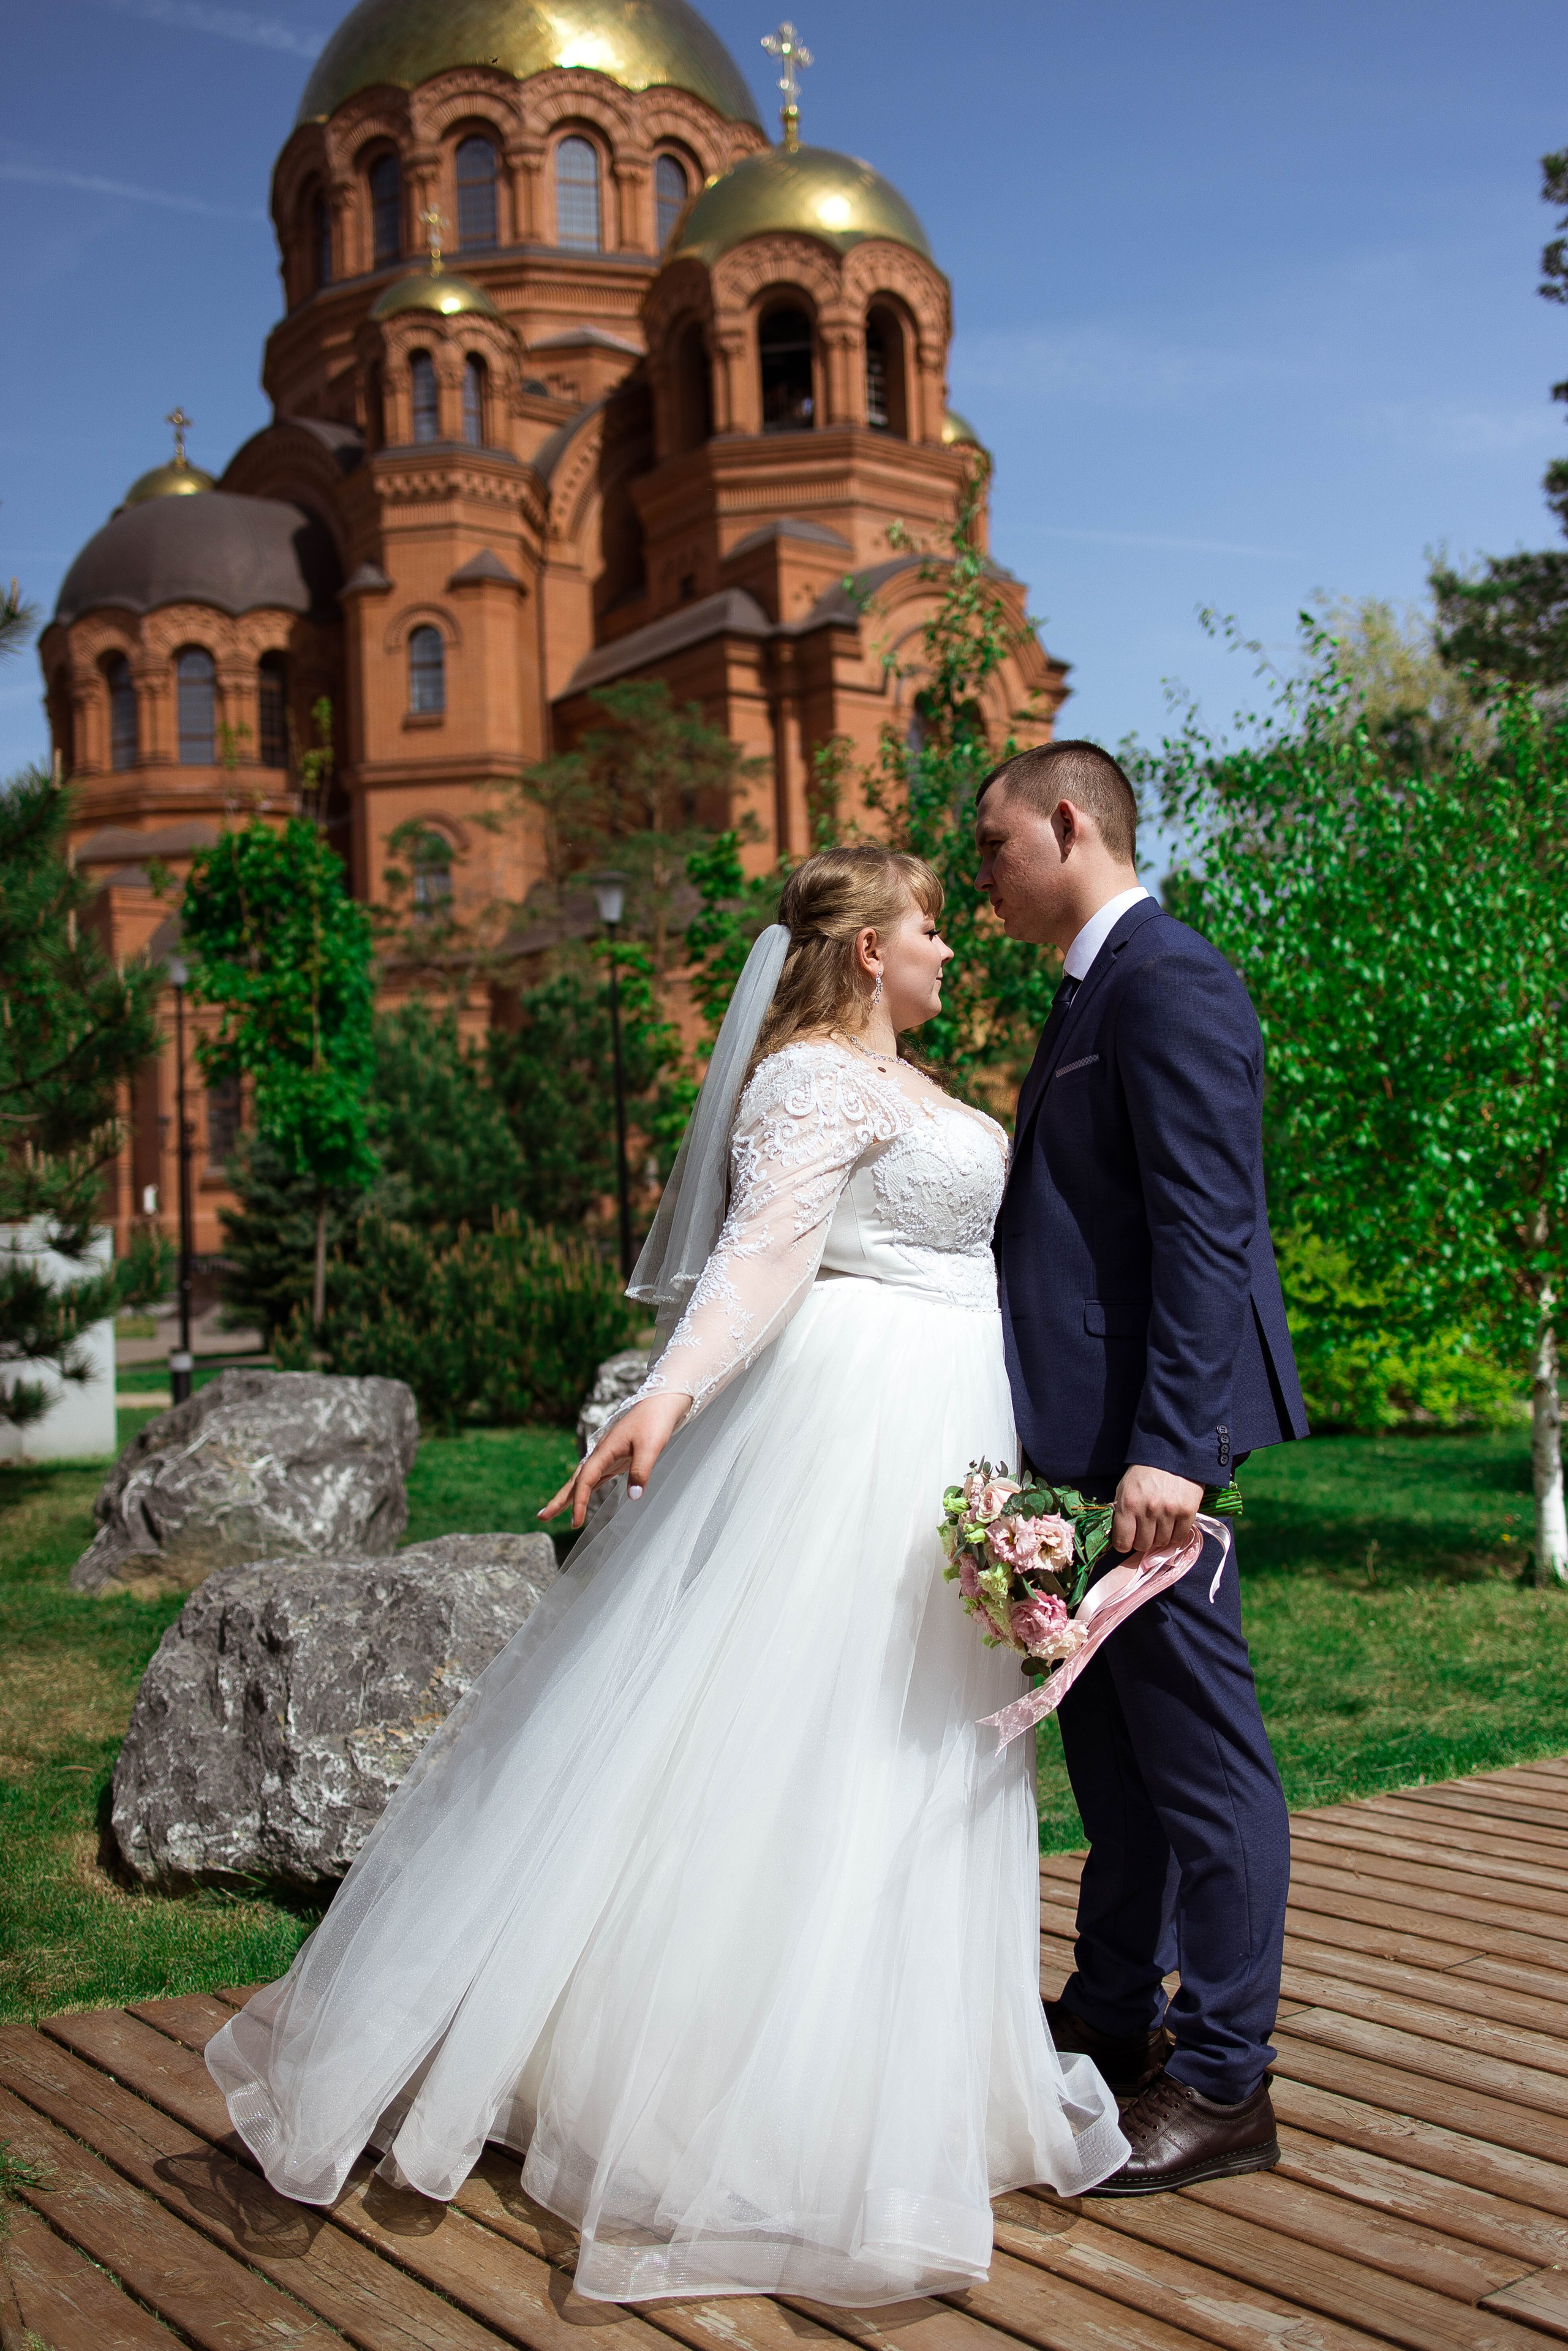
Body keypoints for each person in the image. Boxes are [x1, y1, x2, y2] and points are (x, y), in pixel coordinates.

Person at [206, 843, 1128, 2307]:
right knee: (812, 1732)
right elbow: (760, 1260)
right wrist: (670, 1393)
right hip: (854, 1429)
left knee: (915, 1739)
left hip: (950, 1421)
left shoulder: (895, 1078)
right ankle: (747, 2088)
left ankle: (905, 2059)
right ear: (866, 948)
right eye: (928, 931)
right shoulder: (808, 1078)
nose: (951, 951)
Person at [977, 740, 1308, 2195]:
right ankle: (1113, 2016)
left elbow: (1202, 1230)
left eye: (990, 844)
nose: (977, 873)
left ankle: (1226, 2077)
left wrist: (1169, 1446)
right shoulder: (1090, 988)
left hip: (1152, 1453)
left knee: (1202, 1763)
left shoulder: (1165, 978)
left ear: (1066, 821)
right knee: (1114, 1759)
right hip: (1093, 1446)